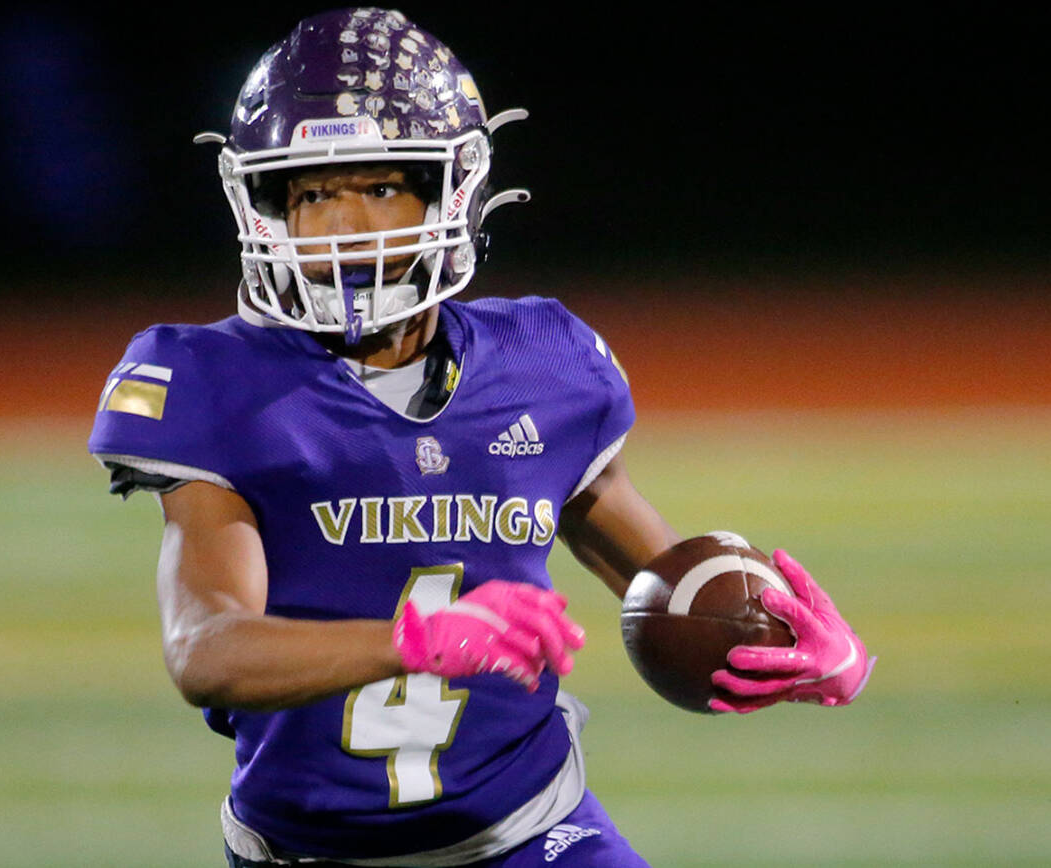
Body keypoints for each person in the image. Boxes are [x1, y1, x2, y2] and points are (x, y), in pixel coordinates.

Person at [88, 8, 874, 866]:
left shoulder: (544, 363)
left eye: (382, 186)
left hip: (535, 830)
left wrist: (779, 638)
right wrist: (412, 640)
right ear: (268, 209)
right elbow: (205, 650)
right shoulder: (215, 383)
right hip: (308, 851)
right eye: (315, 193)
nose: (347, 224)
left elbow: (662, 578)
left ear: (450, 189)